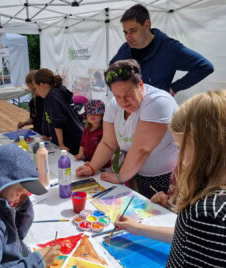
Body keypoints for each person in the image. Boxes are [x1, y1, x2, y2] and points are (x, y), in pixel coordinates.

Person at [115, 90, 226, 268]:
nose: (178, 158)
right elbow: (187, 239)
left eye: (179, 147)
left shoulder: (208, 214)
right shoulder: (210, 208)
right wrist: (137, 228)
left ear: (206, 148)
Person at [76, 60, 178, 199]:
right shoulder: (114, 104)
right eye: (117, 96)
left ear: (140, 85)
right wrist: (92, 167)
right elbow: (108, 143)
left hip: (164, 175)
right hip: (137, 171)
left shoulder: (158, 102)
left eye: (129, 94)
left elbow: (142, 149)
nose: (123, 102)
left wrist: (120, 177)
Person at [110, 4, 214, 95]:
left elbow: (205, 66)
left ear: (147, 25)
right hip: (131, 111)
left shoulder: (170, 48)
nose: (128, 37)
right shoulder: (125, 49)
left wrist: (174, 88)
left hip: (157, 111)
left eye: (133, 31)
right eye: (125, 32)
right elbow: (111, 70)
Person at [33, 68, 83, 155]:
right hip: (70, 137)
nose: (36, 92)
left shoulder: (53, 96)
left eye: (36, 88)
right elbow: (48, 117)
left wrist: (61, 144)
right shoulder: (52, 93)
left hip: (71, 141)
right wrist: (46, 133)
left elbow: (57, 122)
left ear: (41, 86)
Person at [75, 99, 110, 168]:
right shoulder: (86, 130)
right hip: (88, 162)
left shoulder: (105, 131)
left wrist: (94, 163)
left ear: (102, 115)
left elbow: (105, 150)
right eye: (89, 113)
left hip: (103, 166)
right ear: (86, 116)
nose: (92, 116)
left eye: (96, 113)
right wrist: (81, 154)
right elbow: (82, 144)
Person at [17, 70, 45, 135]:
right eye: (31, 89)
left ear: (41, 85)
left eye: (34, 89)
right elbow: (35, 119)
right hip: (39, 135)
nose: (32, 92)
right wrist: (25, 123)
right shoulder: (33, 102)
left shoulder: (50, 100)